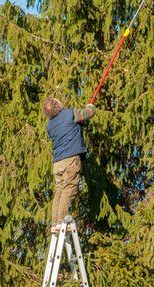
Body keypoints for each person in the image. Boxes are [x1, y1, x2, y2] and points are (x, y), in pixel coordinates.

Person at [42, 98, 96, 231]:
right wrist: (90, 106)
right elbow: (88, 113)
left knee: (59, 190)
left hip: (57, 162)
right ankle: (61, 220)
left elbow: (68, 128)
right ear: (58, 105)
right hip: (70, 159)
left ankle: (55, 222)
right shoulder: (70, 114)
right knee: (69, 188)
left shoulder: (49, 126)